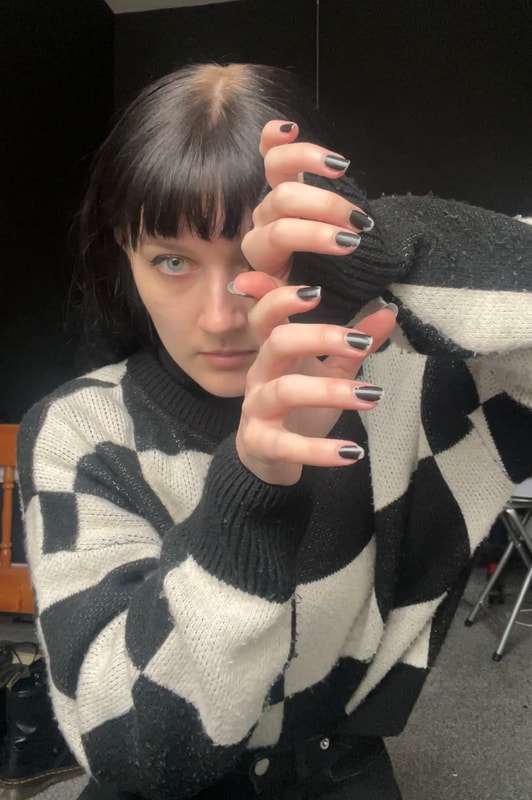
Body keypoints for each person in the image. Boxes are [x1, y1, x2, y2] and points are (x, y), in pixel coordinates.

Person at [17, 62, 532, 800]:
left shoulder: (401, 388)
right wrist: (249, 492)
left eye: (257, 257)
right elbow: (131, 748)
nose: (222, 316)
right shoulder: (80, 430)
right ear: (123, 257)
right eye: (171, 261)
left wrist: (390, 249)